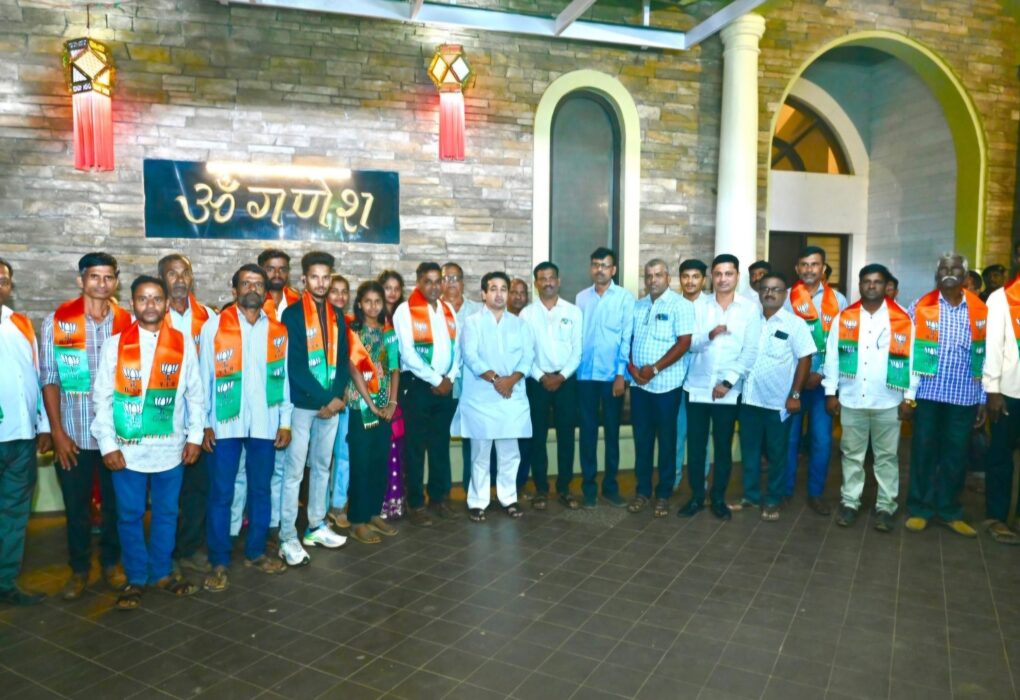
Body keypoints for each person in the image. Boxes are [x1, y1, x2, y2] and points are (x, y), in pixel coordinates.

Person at [91, 275, 205, 610]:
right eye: (143, 298)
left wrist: (195, 437)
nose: (150, 304)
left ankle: (162, 572)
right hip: (128, 450)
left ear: (166, 304)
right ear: (133, 304)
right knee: (129, 515)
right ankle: (136, 577)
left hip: (171, 447)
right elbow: (102, 399)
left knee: (167, 513)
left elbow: (195, 396)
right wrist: (108, 445)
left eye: (156, 298)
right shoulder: (115, 345)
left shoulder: (182, 343)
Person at [41, 252, 132, 601]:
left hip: (117, 435)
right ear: (81, 280)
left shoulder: (127, 322)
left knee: (115, 507)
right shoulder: (57, 322)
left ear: (116, 282)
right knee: (76, 508)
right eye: (94, 276)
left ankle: (111, 563)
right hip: (74, 434)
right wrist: (57, 432)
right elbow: (49, 379)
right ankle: (79, 570)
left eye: (108, 277)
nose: (101, 283)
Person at [200, 264, 290, 592]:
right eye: (246, 283)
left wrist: (285, 421)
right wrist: (204, 424)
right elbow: (203, 377)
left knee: (261, 490)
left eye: (258, 284)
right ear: (234, 290)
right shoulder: (214, 327)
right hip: (225, 424)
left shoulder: (278, 331)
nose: (253, 288)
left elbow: (284, 379)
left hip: (265, 422)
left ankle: (255, 551)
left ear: (266, 291)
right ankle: (219, 559)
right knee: (222, 492)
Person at [824, 264, 918, 532]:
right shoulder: (845, 317)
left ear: (886, 286)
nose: (872, 286)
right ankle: (850, 502)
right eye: (867, 281)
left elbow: (912, 361)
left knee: (886, 457)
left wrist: (909, 398)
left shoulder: (901, 319)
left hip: (888, 401)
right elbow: (832, 357)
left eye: (877, 281)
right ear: (860, 285)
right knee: (851, 455)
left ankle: (886, 506)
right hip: (852, 399)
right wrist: (831, 392)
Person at [905, 252, 986, 537]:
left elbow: (986, 356)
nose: (949, 272)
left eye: (955, 268)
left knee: (956, 456)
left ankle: (950, 510)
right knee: (923, 452)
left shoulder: (979, 310)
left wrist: (983, 398)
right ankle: (920, 509)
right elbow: (906, 351)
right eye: (943, 268)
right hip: (927, 394)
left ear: (965, 276)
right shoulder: (920, 306)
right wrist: (907, 396)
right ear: (936, 274)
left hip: (964, 397)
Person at [278, 251, 350, 565]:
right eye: (314, 277)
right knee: (294, 472)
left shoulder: (337, 315)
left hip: (330, 406)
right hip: (303, 405)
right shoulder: (292, 315)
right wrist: (324, 399)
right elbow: (293, 365)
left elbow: (344, 360)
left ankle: (316, 525)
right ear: (304, 279)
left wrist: (336, 398)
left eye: (325, 277)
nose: (321, 283)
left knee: (322, 466)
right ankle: (287, 536)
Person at [679, 254, 760, 520]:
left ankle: (718, 499)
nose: (723, 279)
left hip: (728, 391)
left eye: (729, 273)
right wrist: (709, 335)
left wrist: (727, 382)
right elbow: (689, 344)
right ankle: (696, 497)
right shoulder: (699, 306)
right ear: (711, 277)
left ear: (737, 276)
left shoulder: (749, 309)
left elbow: (750, 352)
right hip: (697, 387)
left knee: (723, 448)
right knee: (696, 447)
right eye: (718, 273)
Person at [453, 272, 534, 522]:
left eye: (503, 289)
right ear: (484, 294)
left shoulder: (520, 324)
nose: (499, 294)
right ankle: (478, 501)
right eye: (493, 289)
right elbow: (471, 356)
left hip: (511, 396)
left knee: (510, 453)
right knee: (480, 454)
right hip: (481, 398)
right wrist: (497, 380)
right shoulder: (472, 323)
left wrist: (511, 380)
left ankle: (508, 498)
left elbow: (528, 357)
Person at [158, 254, 216, 576]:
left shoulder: (208, 317)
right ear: (162, 279)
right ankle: (165, 555)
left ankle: (189, 549)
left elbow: (216, 371)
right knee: (167, 497)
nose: (179, 279)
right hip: (162, 420)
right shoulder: (152, 315)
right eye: (172, 274)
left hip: (197, 421)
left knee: (197, 491)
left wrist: (207, 422)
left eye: (185, 273)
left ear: (192, 278)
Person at [738, 272, 813, 521]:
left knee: (777, 454)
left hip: (778, 402)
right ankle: (750, 496)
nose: (769, 293)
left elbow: (805, 358)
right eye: (765, 289)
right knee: (749, 451)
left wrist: (795, 394)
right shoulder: (750, 321)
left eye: (775, 289)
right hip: (749, 399)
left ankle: (772, 500)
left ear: (785, 294)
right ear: (759, 293)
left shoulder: (795, 324)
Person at [393, 262, 461, 526]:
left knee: (440, 445)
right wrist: (436, 379)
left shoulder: (448, 309)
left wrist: (450, 377)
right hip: (418, 386)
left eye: (437, 281)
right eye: (428, 281)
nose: (434, 286)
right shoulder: (405, 310)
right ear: (419, 282)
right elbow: (407, 353)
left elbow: (457, 348)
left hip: (445, 385)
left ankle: (438, 498)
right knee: (415, 447)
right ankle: (415, 503)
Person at [0, 258, 51, 605]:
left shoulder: (20, 323)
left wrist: (43, 425)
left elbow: (34, 374)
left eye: (3, 280)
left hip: (22, 438)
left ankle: (6, 584)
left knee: (15, 515)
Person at [626, 259, 694, 517]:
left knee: (667, 441)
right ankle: (642, 491)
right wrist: (633, 370)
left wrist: (654, 369)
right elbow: (629, 340)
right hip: (639, 387)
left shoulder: (681, 305)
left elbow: (684, 343)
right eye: (648, 275)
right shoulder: (639, 305)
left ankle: (664, 493)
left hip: (667, 387)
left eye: (657, 275)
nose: (652, 280)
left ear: (667, 277)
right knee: (642, 440)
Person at [785, 245, 847, 515]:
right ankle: (784, 490)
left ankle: (816, 493)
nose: (809, 269)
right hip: (792, 382)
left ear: (823, 268)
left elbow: (842, 342)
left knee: (821, 441)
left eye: (814, 264)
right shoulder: (787, 297)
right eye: (804, 264)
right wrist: (799, 376)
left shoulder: (839, 300)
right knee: (788, 440)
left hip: (823, 384)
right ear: (797, 268)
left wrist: (820, 372)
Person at [519, 262, 582, 510]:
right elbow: (525, 353)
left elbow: (577, 351)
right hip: (538, 382)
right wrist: (541, 376)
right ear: (536, 284)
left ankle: (564, 488)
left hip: (566, 382)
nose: (547, 282)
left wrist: (561, 376)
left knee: (567, 436)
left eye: (551, 278)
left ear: (559, 281)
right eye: (542, 279)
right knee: (538, 437)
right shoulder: (527, 314)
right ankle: (541, 489)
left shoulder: (573, 312)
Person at [576, 247, 635, 509]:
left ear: (613, 269)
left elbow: (626, 337)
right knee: (587, 434)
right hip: (585, 376)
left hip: (613, 377)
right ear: (591, 268)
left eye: (605, 265)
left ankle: (610, 487)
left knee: (612, 433)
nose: (599, 269)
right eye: (595, 264)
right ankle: (589, 488)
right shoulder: (581, 298)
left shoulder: (624, 298)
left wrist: (621, 374)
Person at [345, 281, 401, 544]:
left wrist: (392, 403)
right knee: (361, 463)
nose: (373, 306)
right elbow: (355, 370)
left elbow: (395, 369)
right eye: (367, 301)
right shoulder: (353, 331)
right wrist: (371, 404)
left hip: (384, 409)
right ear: (359, 304)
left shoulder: (388, 332)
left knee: (380, 461)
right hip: (361, 406)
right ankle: (357, 520)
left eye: (377, 301)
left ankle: (374, 513)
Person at [981, 266, 1020, 544]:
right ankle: (996, 516)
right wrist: (993, 390)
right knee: (1001, 456)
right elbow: (992, 347)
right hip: (1009, 392)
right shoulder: (1002, 298)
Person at [440, 262, 484, 494]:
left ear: (463, 283)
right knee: (439, 440)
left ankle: (473, 490)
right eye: (446, 278)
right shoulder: (432, 311)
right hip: (442, 385)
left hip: (473, 384)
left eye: (455, 278)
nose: (451, 283)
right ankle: (442, 493)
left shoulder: (478, 310)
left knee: (473, 440)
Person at [676, 259, 712, 486]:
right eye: (685, 276)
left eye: (695, 276)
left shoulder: (712, 306)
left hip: (701, 379)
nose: (690, 281)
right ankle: (673, 479)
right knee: (675, 433)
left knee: (700, 435)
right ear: (679, 279)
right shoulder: (672, 304)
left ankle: (701, 482)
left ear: (703, 280)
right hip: (674, 379)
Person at [378, 269, 407, 520]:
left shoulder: (404, 316)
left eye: (397, 288)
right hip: (373, 390)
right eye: (388, 287)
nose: (392, 293)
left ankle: (394, 501)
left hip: (399, 388)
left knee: (397, 446)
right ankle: (377, 502)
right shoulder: (373, 318)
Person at [326, 273, 352, 530]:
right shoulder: (315, 323)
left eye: (344, 291)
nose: (340, 296)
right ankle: (320, 509)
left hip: (345, 401)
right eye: (335, 291)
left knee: (344, 454)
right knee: (321, 459)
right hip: (321, 402)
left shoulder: (351, 324)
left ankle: (338, 504)